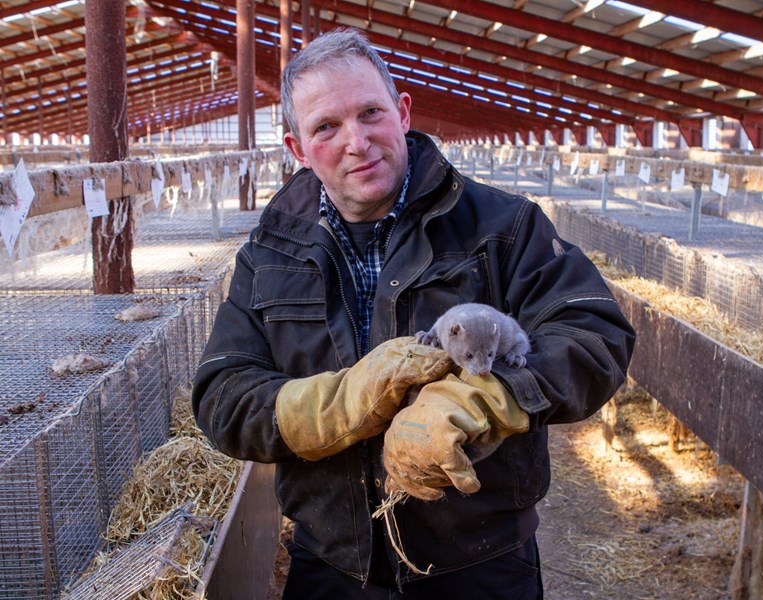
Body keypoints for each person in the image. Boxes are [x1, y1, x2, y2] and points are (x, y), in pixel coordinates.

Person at [192, 27, 635, 599]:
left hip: (481, 564)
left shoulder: (504, 227)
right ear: (298, 148)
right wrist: (333, 405)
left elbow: (594, 334)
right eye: (326, 127)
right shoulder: (269, 253)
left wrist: (491, 397)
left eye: (370, 113)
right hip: (332, 566)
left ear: (402, 113)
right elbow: (221, 395)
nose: (357, 141)